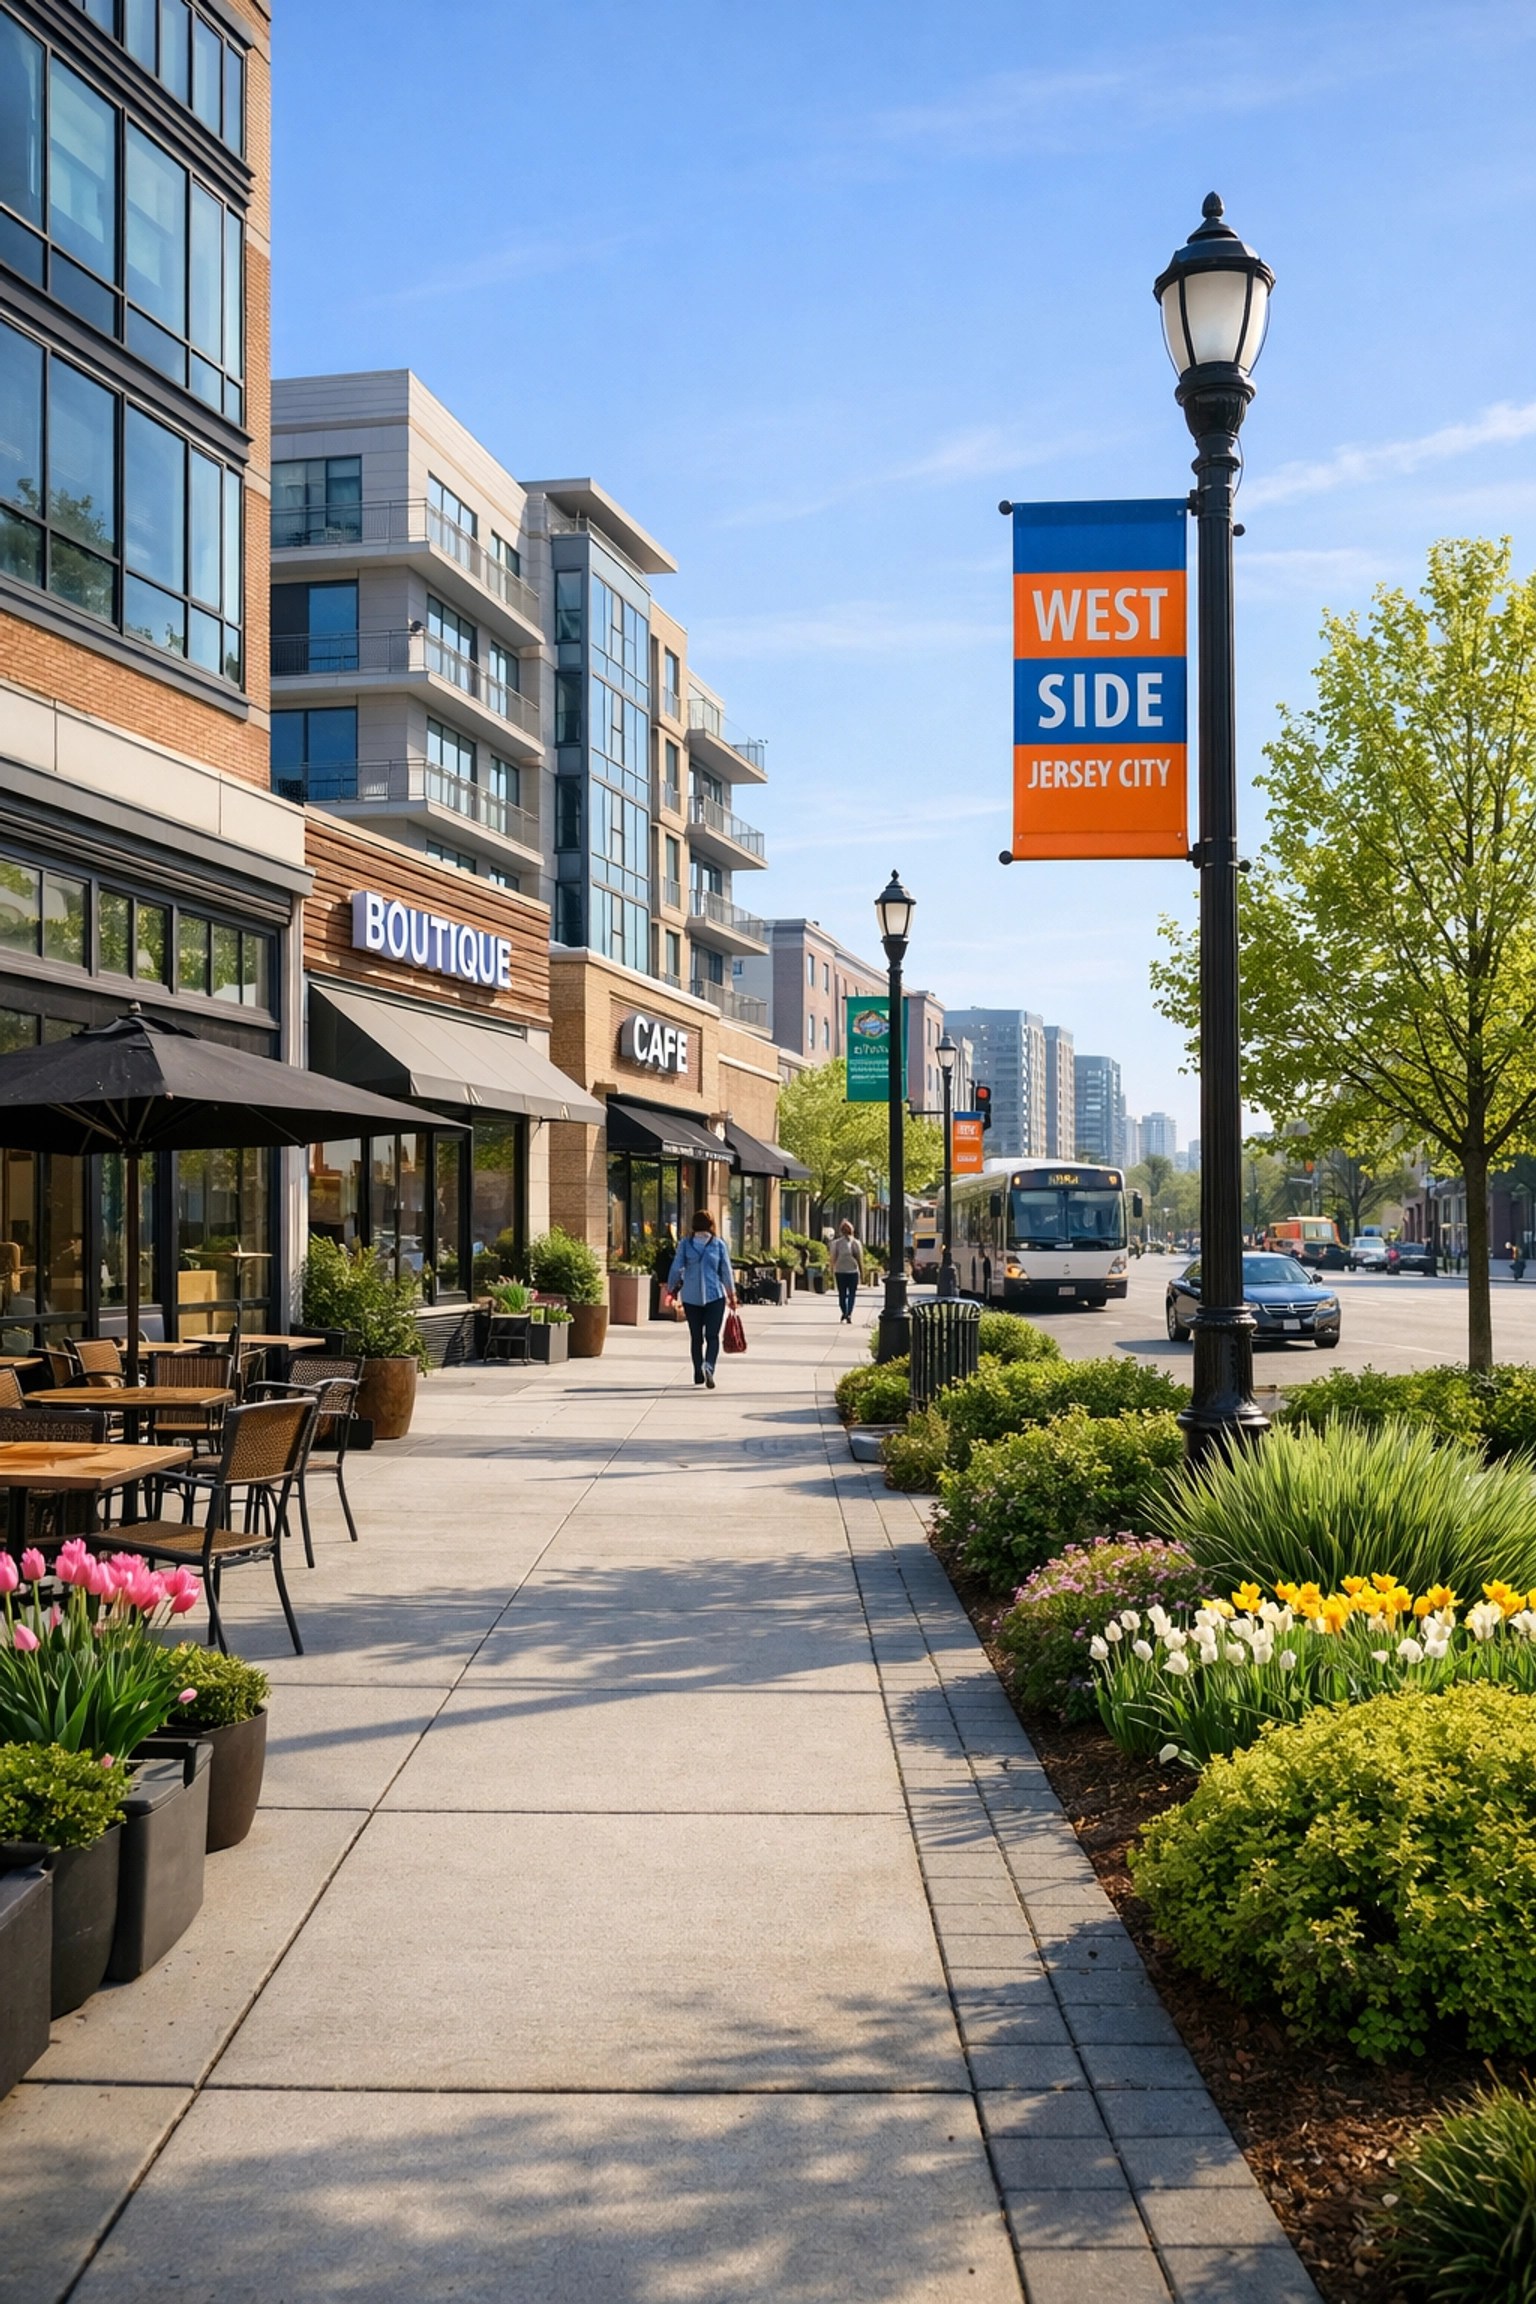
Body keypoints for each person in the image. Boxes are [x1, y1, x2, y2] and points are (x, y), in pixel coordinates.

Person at [667, 1210, 737, 1388]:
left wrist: (670, 1290)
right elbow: (726, 1272)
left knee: (696, 1337)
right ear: (711, 1225)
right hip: (715, 1296)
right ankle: (709, 1367)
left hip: (691, 1297)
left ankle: (699, 1370)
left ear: (693, 1225)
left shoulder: (685, 1244)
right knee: (712, 1336)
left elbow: (676, 1268)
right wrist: (732, 1294)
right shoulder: (718, 1244)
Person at [829, 1219, 864, 1323]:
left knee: (844, 1294)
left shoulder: (841, 1243)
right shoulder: (853, 1243)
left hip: (845, 1272)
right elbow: (860, 1259)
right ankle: (847, 1313)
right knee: (848, 1294)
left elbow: (833, 1258)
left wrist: (832, 1270)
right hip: (847, 1272)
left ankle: (846, 1312)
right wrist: (862, 1272)